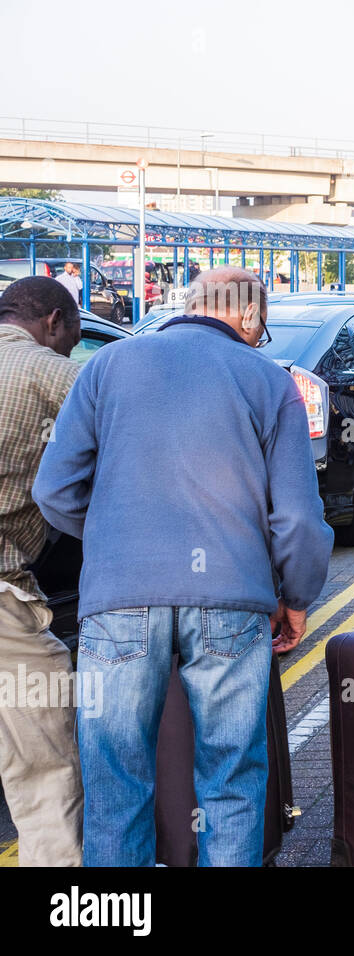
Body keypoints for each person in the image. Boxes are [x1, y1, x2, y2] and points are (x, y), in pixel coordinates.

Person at [34, 267, 334, 867]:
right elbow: (298, 520)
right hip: (232, 601)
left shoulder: (107, 367)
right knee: (231, 779)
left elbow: (54, 491)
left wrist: (121, 537)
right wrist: (296, 596)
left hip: (119, 603)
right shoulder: (270, 382)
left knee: (116, 786)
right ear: (249, 317)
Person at [0, 277, 84, 867]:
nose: (70, 349)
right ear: (53, 322)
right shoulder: (49, 372)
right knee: (45, 759)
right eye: (72, 339)